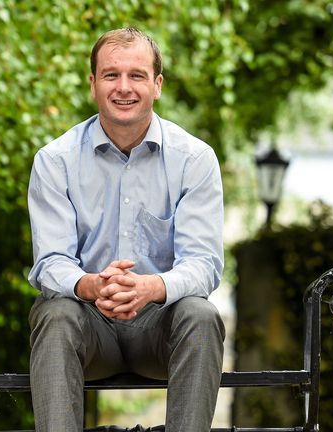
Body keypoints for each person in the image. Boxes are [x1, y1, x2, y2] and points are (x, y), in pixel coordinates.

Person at [27, 27, 225, 431]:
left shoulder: (195, 159)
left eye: (136, 75)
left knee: (201, 315)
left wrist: (152, 288)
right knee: (55, 312)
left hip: (161, 328)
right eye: (111, 75)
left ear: (157, 85)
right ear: (93, 84)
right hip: (89, 327)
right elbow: (50, 263)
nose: (123, 87)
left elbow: (204, 264)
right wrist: (92, 286)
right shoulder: (55, 160)